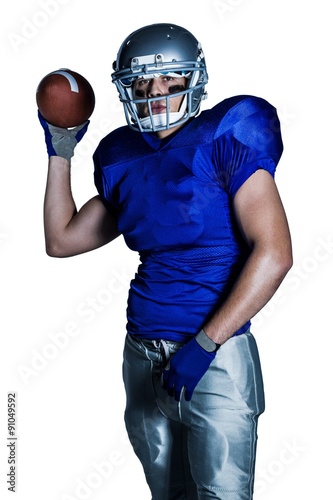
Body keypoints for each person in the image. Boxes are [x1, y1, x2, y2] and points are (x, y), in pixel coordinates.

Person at [39, 23, 292, 500]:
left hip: (216, 353)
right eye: (143, 83)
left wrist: (206, 344)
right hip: (142, 351)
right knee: (168, 496)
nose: (156, 94)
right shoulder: (121, 154)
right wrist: (61, 149)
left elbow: (275, 253)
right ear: (126, 88)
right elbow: (62, 239)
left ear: (192, 79)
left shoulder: (228, 133)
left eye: (170, 80)